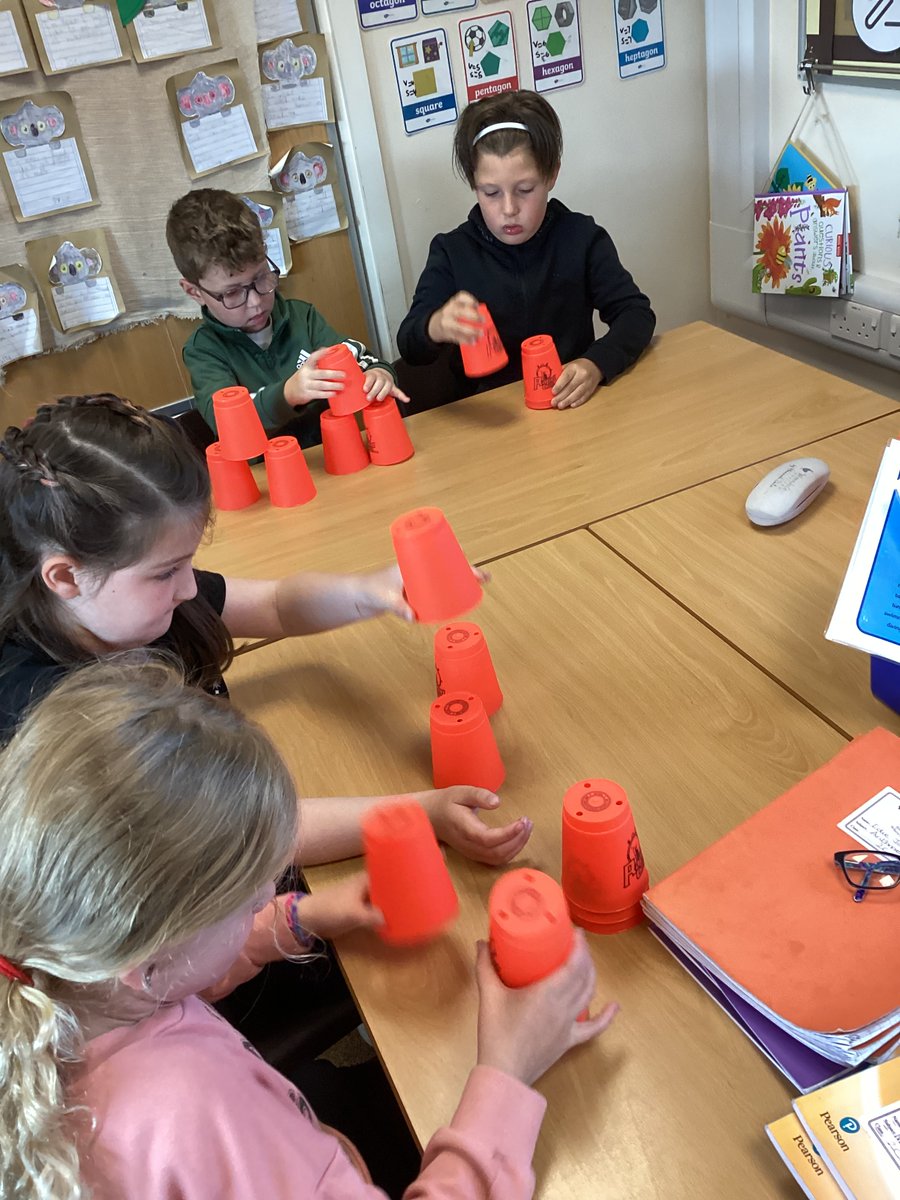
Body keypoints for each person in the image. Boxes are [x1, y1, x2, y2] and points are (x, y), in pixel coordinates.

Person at [0, 660, 619, 1200]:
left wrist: (293, 920)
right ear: (146, 954)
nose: (267, 897)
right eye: (250, 898)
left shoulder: (57, 970)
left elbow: (170, 983)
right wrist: (507, 1071)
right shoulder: (195, 1115)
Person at [0, 396, 532, 977]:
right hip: (189, 937)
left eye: (187, 563)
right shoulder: (54, 716)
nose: (189, 588)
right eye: (167, 572)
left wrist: (370, 592)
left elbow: (277, 604)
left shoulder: (130, 601)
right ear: (65, 576)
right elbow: (244, 828)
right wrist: (421, 812)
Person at [397, 90, 656, 411]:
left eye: (525, 189)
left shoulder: (581, 238)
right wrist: (435, 326)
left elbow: (635, 314)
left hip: (569, 404)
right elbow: (409, 343)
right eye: (491, 192)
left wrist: (596, 364)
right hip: (493, 417)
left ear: (551, 175)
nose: (509, 209)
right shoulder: (452, 252)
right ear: (474, 183)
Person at [167, 188, 408, 447]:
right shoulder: (203, 351)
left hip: (331, 454)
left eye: (261, 277)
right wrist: (287, 395)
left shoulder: (301, 317)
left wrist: (378, 373)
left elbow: (356, 357)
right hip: (267, 469)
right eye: (232, 293)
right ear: (195, 292)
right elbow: (227, 423)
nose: (256, 302)